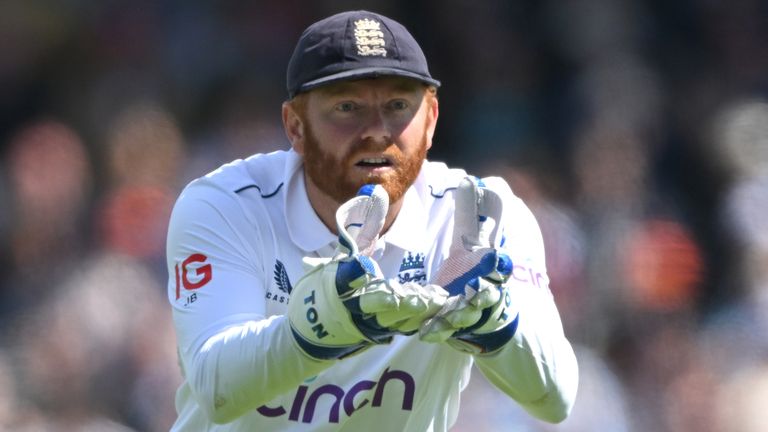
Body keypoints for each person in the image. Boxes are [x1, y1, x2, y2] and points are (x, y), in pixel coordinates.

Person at [166, 10, 578, 431]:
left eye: (398, 106)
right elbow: (215, 386)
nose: (377, 131)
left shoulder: (477, 218)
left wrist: (493, 324)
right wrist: (325, 321)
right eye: (348, 107)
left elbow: (554, 398)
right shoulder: (226, 205)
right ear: (295, 126)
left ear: (431, 120)